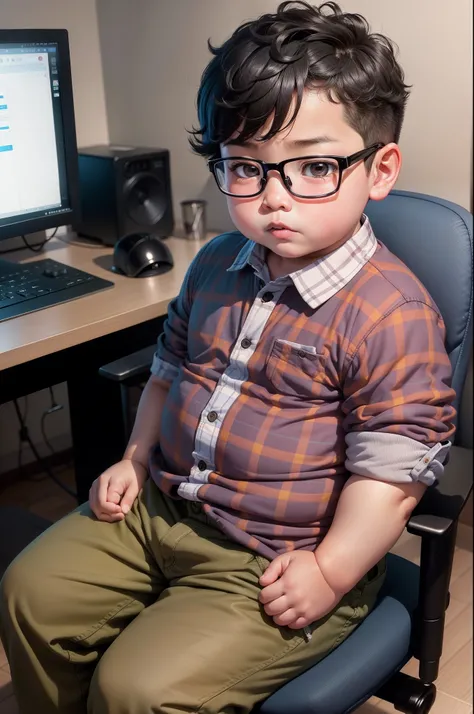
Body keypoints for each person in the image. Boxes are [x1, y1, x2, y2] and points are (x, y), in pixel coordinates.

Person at [0, 2, 456, 713]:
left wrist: (332, 573)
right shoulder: (216, 261)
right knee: (33, 595)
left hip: (280, 557)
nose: (274, 199)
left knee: (138, 690)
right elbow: (169, 371)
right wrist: (134, 457)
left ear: (380, 169)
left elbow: (392, 476)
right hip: (164, 508)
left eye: (314, 167)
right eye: (246, 168)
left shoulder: (391, 315)